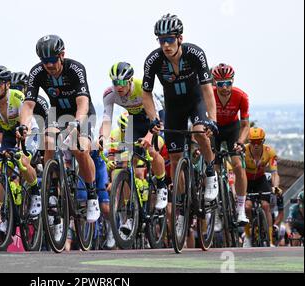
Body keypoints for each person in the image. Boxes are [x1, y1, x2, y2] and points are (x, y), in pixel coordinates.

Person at [142, 14, 220, 217]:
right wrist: (153, 119)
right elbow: (146, 93)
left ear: (180, 38)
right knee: (175, 158)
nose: (165, 45)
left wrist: (212, 120)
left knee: (200, 132)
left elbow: (207, 90)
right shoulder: (153, 60)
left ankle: (211, 173)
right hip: (173, 107)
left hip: (196, 102)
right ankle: (182, 206)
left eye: (170, 39)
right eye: (161, 40)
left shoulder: (195, 54)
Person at [19, 35, 100, 223]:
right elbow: (29, 105)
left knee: (79, 148)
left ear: (62, 55)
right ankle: (53, 189)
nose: (49, 65)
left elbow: (83, 103)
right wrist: (23, 125)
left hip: (81, 113)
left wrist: (76, 124)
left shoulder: (75, 69)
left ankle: (91, 195)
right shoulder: (37, 72)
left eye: (52, 60)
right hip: (56, 113)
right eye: (44, 61)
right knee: (47, 140)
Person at [99, 61, 168, 210]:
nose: (119, 86)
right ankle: (131, 208)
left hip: (154, 119)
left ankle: (162, 186)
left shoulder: (141, 86)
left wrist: (150, 136)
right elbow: (107, 120)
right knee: (129, 160)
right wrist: (101, 139)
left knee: (151, 151)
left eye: (123, 82)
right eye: (116, 82)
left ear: (130, 80)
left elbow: (156, 117)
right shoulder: (110, 94)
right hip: (135, 122)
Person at [0, 66, 41, 217]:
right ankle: (4, 214)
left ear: (8, 84)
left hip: (28, 130)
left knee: (23, 160)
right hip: (8, 132)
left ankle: (35, 193)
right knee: (3, 169)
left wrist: (21, 144)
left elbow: (24, 122)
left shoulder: (17, 96)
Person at [211, 63, 250, 224]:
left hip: (232, 129)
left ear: (232, 81)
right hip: (214, 128)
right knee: (213, 167)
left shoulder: (241, 96)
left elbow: (245, 125)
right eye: (220, 84)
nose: (225, 87)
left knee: (238, 166)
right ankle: (217, 209)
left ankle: (240, 209)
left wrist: (240, 141)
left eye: (228, 83)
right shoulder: (209, 94)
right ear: (215, 83)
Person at [243, 127, 281, 247]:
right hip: (246, 180)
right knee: (247, 207)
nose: (255, 145)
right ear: (249, 141)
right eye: (252, 142)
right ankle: (248, 236)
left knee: (265, 206)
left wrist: (275, 187)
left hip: (260, 179)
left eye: (258, 141)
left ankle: (269, 240)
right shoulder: (243, 151)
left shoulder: (270, 152)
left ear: (263, 141)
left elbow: (274, 173)